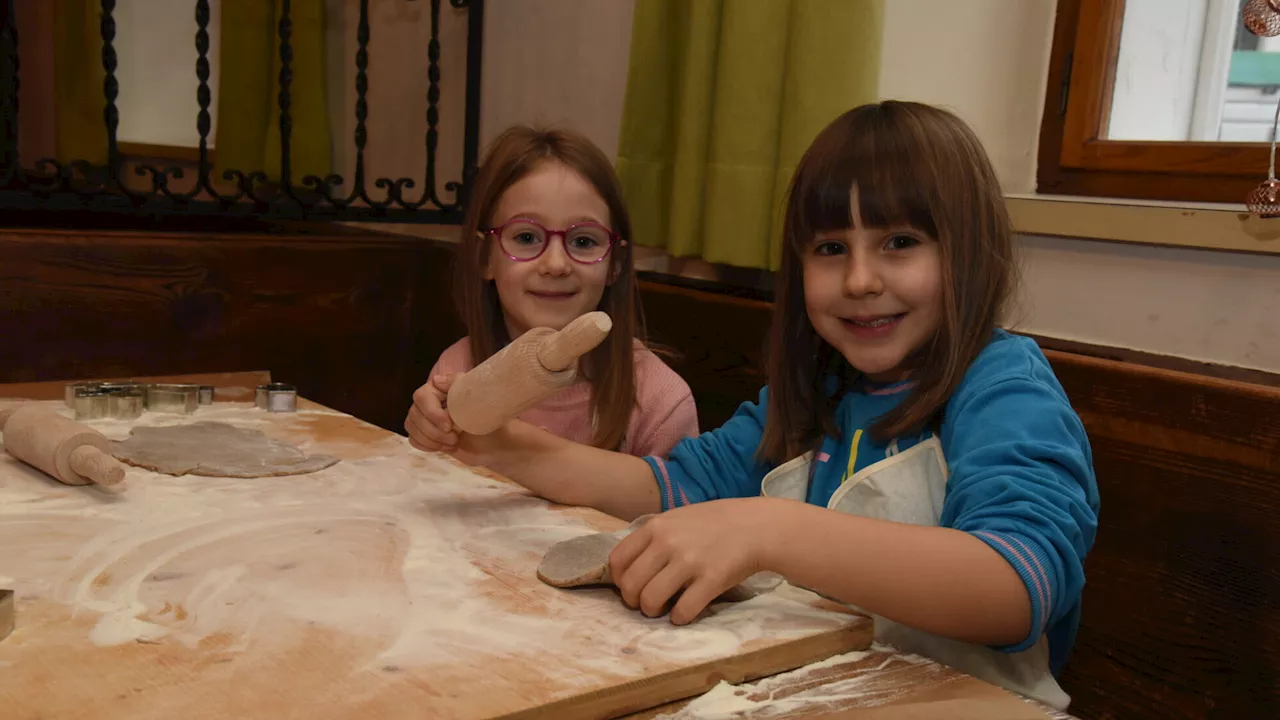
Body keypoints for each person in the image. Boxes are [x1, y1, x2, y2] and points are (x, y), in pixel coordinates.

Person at [413, 102, 1100, 711]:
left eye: (900, 243)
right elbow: (671, 485)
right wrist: (497, 445)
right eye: (831, 249)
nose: (861, 280)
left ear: (971, 252)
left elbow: (1017, 584)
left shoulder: (1003, 387)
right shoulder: (819, 391)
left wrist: (769, 530)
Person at [406, 125, 698, 458]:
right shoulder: (457, 370)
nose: (556, 264)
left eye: (583, 241)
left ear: (615, 263)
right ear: (484, 257)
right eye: (527, 238)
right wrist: (429, 436)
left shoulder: (661, 402)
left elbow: (679, 506)